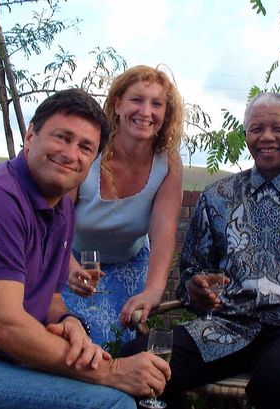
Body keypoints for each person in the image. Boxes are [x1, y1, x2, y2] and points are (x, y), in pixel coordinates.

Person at [0, 89, 170, 409]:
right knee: (112, 404)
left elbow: (51, 298)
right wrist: (110, 370)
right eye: (62, 137)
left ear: (93, 161)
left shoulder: (60, 210)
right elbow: (6, 328)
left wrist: (72, 323)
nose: (71, 153)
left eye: (86, 147)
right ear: (30, 136)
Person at [121, 92, 280, 409]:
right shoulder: (216, 197)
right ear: (247, 135)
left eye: (278, 129)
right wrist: (197, 289)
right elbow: (194, 270)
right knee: (138, 362)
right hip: (225, 326)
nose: (266, 137)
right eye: (256, 129)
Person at [63, 65, 184, 346]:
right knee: (77, 339)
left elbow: (164, 230)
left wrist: (154, 290)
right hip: (72, 258)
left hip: (130, 261)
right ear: (117, 104)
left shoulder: (168, 162)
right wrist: (70, 269)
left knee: (119, 342)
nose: (146, 111)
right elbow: (59, 219)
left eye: (157, 103)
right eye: (136, 100)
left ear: (166, 114)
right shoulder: (90, 149)